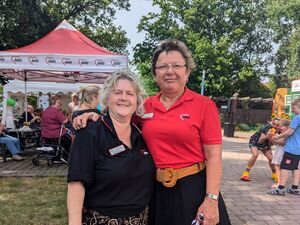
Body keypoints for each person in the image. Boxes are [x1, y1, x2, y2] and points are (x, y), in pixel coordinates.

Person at [73, 40, 231, 225]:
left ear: (187, 71)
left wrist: (211, 200)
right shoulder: (144, 106)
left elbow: (214, 156)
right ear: (155, 74)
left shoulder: (204, 105)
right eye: (162, 66)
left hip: (192, 189)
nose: (169, 71)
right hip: (154, 191)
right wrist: (96, 115)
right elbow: (119, 118)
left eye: (176, 66)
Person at [67, 69, 155, 225]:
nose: (124, 98)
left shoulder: (141, 134)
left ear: (137, 101)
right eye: (117, 92)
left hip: (141, 220)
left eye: (130, 93)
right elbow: (76, 182)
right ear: (107, 98)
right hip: (100, 220)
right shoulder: (89, 132)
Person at [267, 99, 300, 195]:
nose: (293, 111)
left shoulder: (297, 118)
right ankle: (295, 188)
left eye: (294, 108)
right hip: (298, 149)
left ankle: (280, 188)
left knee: (284, 167)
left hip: (292, 148)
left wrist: (278, 136)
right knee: (295, 168)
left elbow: (290, 132)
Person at [41, 95, 71, 163]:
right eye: (58, 103)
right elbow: (64, 121)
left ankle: (54, 156)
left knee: (57, 142)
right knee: (68, 140)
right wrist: (67, 117)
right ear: (53, 103)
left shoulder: (45, 110)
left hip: (45, 134)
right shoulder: (56, 111)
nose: (59, 105)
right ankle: (65, 157)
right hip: (55, 134)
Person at [269, 118, 290, 187]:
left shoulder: (286, 134)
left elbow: (283, 143)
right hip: (279, 151)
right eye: (279, 126)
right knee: (278, 166)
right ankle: (280, 182)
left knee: (278, 166)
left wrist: (274, 139)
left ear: (287, 126)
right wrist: (271, 138)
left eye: (281, 126)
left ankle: (279, 183)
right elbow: (275, 144)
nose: (279, 127)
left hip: (282, 151)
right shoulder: (282, 133)